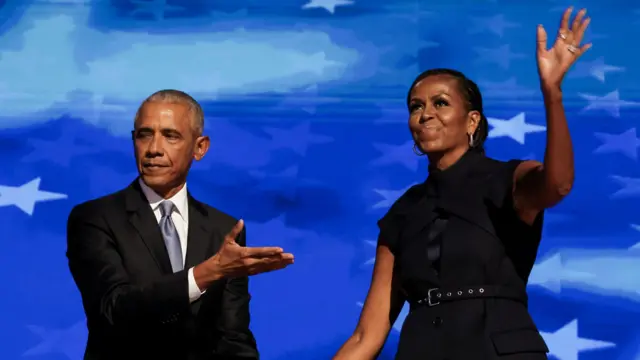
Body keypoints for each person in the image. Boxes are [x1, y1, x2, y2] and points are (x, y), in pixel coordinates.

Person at [334, 7, 590, 360]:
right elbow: (366, 336)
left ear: (472, 121)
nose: (425, 114)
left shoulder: (505, 179)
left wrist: (552, 92)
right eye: (415, 106)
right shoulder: (404, 211)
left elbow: (557, 186)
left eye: (440, 103)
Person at [66, 89, 294, 359]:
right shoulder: (94, 218)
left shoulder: (224, 229)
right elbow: (114, 309)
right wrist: (205, 273)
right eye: (144, 135)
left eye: (170, 136)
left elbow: (233, 337)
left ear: (200, 147)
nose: (153, 149)